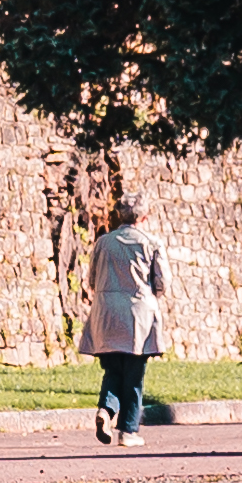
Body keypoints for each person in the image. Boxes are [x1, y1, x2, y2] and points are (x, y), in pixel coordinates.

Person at [83, 184, 170, 444]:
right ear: (144, 217)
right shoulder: (151, 243)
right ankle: (128, 430)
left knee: (112, 371)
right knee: (134, 375)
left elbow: (92, 279)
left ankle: (106, 410)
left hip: (107, 316)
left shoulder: (103, 243)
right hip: (138, 317)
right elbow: (162, 283)